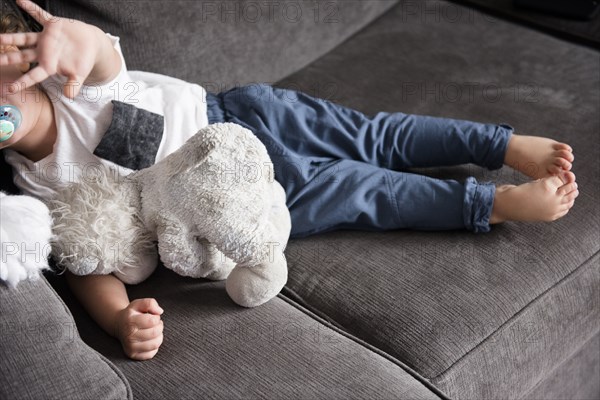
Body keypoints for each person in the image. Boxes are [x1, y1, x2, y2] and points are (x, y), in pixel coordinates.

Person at [0, 0, 579, 360]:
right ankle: (491, 204)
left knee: (373, 135)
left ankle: (496, 144)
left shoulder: (76, 83)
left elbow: (99, 56)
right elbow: (86, 259)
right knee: (365, 192)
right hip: (231, 202)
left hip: (242, 115)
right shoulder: (32, 190)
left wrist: (76, 38)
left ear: (29, 50)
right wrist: (118, 318)